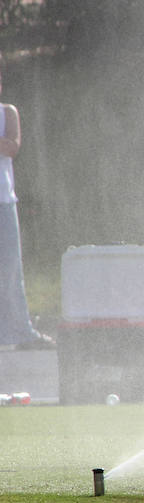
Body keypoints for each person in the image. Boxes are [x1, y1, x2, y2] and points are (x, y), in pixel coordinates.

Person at [0, 55, 54, 350]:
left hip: (4, 201)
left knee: (9, 269)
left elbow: (11, 146)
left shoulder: (8, 112)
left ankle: (21, 332)